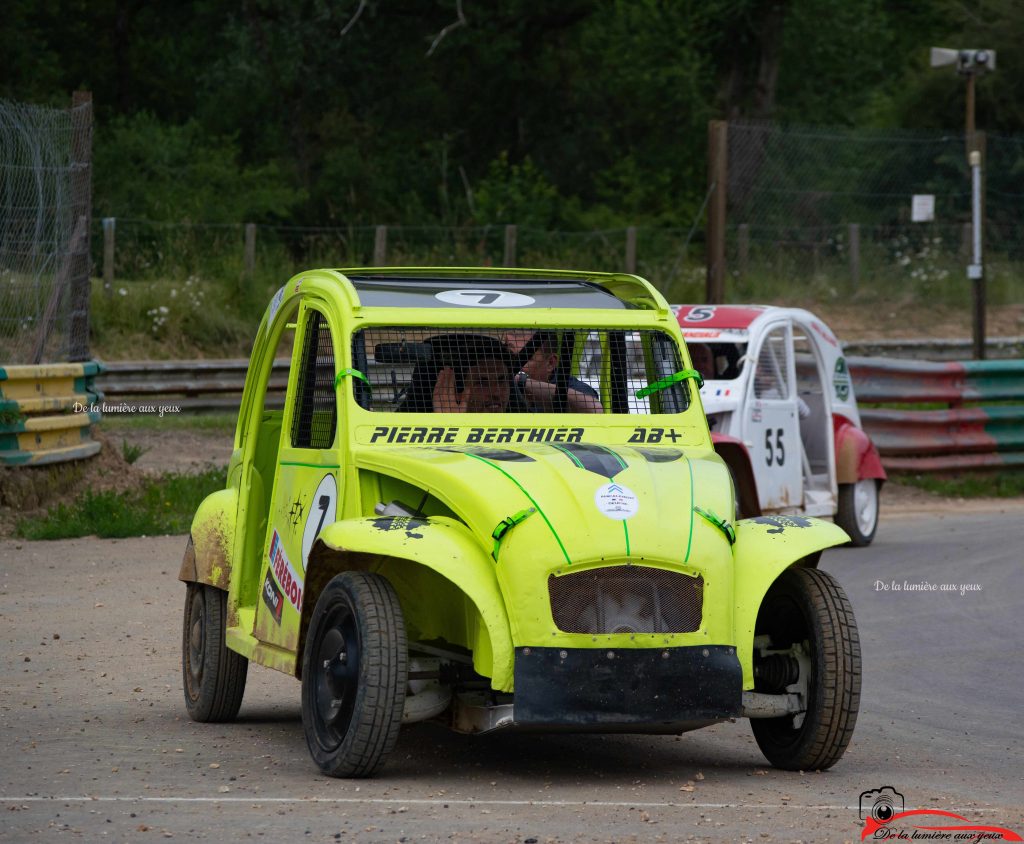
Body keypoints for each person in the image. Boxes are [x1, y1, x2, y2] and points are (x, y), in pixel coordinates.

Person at [503, 330, 603, 413]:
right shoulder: (495, 384)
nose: (512, 365)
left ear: (550, 363)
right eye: (508, 357)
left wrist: (521, 381)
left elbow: (594, 409)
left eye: (524, 359)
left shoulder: (574, 388)